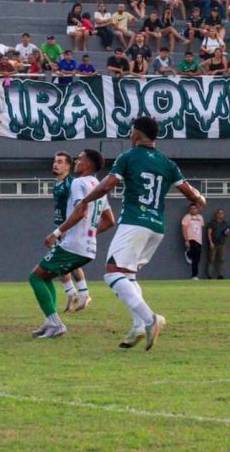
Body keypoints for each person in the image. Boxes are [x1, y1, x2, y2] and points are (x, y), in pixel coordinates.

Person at [72, 116, 206, 351]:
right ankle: (137, 326)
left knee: (112, 274)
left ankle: (150, 318)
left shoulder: (129, 157)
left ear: (136, 134)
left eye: (131, 131)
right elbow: (190, 193)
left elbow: (106, 185)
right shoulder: (167, 163)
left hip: (135, 221)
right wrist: (199, 198)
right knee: (129, 276)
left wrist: (84, 201)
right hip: (157, 227)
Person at [31, 150, 114, 338]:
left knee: (35, 277)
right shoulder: (98, 186)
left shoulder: (78, 182)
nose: (77, 160)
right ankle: (51, 320)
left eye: (80, 158)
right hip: (88, 248)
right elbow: (109, 221)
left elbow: (79, 212)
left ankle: (56, 323)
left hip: (73, 244)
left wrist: (56, 233)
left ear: (89, 164)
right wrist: (89, 233)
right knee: (44, 276)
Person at [51, 151, 93, 311]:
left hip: (68, 227)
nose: (56, 164)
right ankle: (75, 293)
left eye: (60, 161)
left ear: (68, 165)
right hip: (59, 226)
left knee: (66, 261)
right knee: (65, 263)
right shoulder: (58, 183)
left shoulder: (71, 183)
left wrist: (68, 227)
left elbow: (79, 206)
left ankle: (80, 293)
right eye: (55, 161)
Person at [181, 203, 205, 280]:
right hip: (191, 238)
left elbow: (201, 228)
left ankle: (194, 275)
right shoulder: (187, 217)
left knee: (197, 258)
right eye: (191, 209)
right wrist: (186, 240)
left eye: (195, 208)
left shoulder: (200, 217)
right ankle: (188, 253)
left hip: (199, 240)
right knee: (195, 255)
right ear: (189, 210)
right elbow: (184, 229)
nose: (193, 210)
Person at [207, 208, 228, 279]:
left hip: (222, 244)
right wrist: (211, 242)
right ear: (217, 214)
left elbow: (228, 233)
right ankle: (209, 275)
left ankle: (220, 275)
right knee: (211, 259)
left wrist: (227, 233)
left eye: (222, 213)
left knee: (221, 259)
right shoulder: (213, 223)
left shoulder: (225, 223)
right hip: (214, 243)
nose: (220, 214)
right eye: (219, 213)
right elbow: (209, 233)